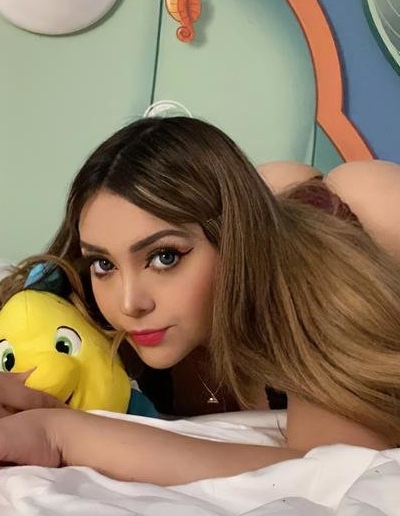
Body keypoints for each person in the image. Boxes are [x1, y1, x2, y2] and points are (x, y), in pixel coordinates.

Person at [0, 115, 400, 485]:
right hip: (256, 211)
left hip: (340, 232)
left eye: (164, 257)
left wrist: (61, 434)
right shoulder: (82, 303)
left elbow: (330, 471)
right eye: (104, 264)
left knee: (366, 189)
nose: (129, 304)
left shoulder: (317, 288)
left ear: (233, 242)